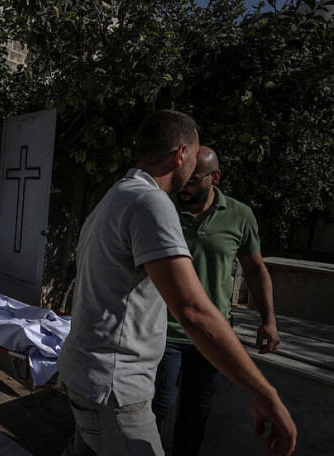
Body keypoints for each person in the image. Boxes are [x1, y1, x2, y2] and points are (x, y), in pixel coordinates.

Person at [57, 110, 296, 456]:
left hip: (90, 376)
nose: (194, 165)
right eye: (194, 155)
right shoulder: (150, 202)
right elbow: (194, 311)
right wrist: (265, 392)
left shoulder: (118, 194)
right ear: (181, 154)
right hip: (115, 387)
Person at [152, 146, 280, 455]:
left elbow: (256, 269)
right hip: (166, 331)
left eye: (194, 180)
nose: (185, 186)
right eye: (183, 178)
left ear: (215, 177)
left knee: (196, 414)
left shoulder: (240, 215)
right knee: (157, 407)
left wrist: (269, 320)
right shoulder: (162, 208)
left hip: (213, 335)